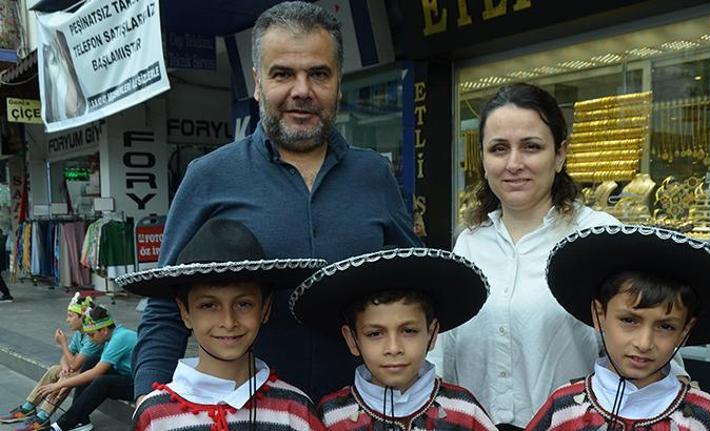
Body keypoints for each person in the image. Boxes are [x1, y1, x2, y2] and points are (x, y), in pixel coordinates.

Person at [132, 0, 420, 404]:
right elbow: (166, 307)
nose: (302, 90)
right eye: (282, 74)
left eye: (318, 74)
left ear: (338, 82)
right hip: (245, 416)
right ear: (257, 83)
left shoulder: (374, 175)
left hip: (362, 414)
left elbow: (412, 291)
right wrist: (148, 404)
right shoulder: (209, 176)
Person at [427, 82, 625, 430]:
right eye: (499, 149)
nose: (513, 163)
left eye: (531, 147)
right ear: (483, 160)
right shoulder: (469, 243)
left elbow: (645, 345)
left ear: (560, 155)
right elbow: (443, 354)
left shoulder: (599, 237)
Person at [526, 225, 710, 430]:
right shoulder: (564, 408)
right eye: (629, 320)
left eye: (666, 326)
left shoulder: (700, 415)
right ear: (600, 315)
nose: (644, 343)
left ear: (685, 330)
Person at [118, 219, 327, 430]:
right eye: (208, 305)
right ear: (184, 312)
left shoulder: (295, 412)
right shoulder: (154, 417)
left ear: (265, 308)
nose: (228, 322)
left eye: (244, 304)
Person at [291, 248, 497, 430]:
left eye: (409, 331)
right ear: (352, 340)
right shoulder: (331, 417)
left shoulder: (465, 411)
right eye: (375, 334)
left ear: (432, 333)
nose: (393, 348)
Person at [1, 294, 102, 430]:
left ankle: (43, 417)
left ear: (82, 318)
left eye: (70, 316)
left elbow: (75, 364)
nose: (67, 320)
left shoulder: (91, 338)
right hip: (80, 370)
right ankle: (28, 407)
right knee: (55, 369)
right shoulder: (79, 334)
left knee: (66, 378)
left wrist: (63, 344)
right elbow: (66, 358)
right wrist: (65, 367)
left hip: (93, 373)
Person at [39, 305, 137, 431]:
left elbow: (95, 373)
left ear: (104, 330)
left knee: (102, 382)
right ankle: (80, 420)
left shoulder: (120, 338)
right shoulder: (111, 336)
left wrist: (59, 385)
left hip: (142, 384)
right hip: (127, 375)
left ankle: (61, 426)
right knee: (93, 361)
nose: (90, 339)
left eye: (91, 334)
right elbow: (91, 370)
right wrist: (66, 383)